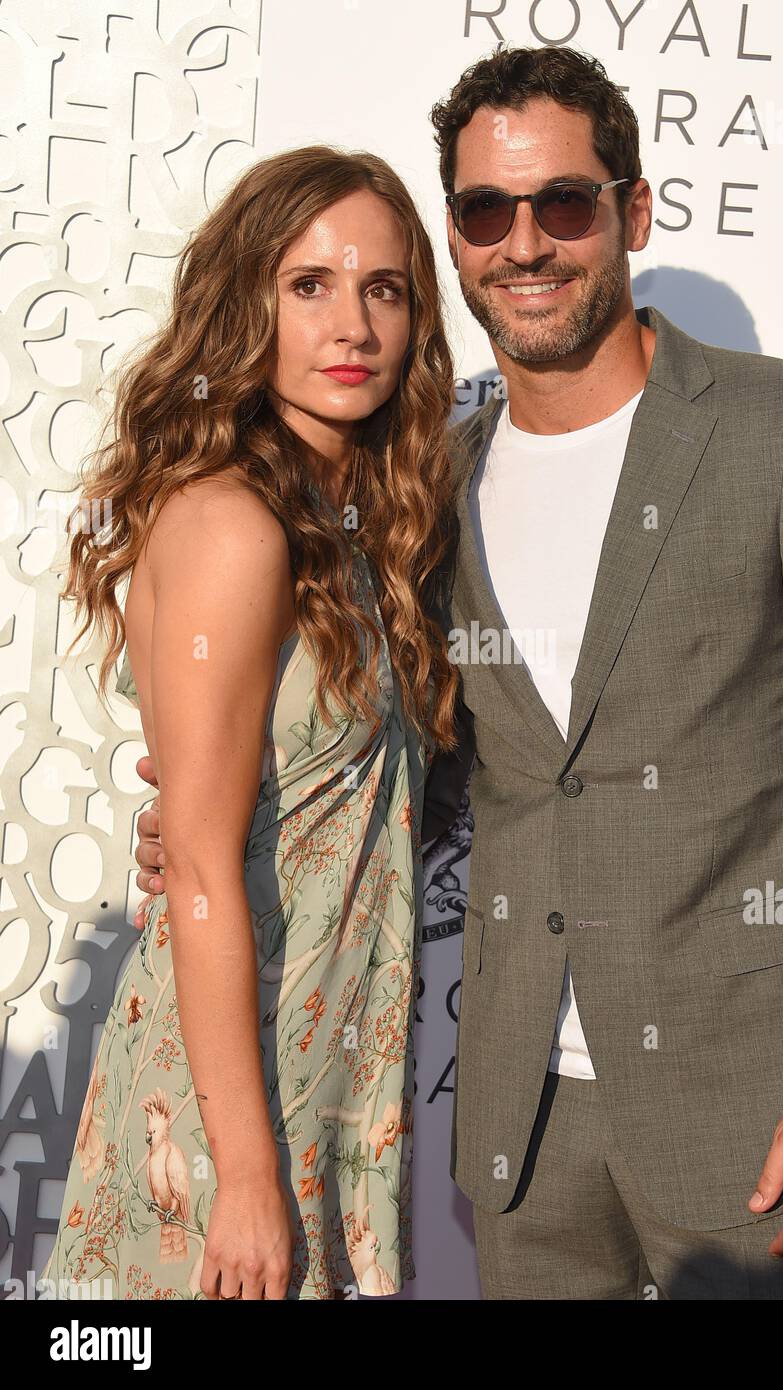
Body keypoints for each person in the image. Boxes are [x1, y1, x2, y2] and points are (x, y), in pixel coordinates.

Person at [133, 46, 783, 1300]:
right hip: (524, 1138)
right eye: (483, 212)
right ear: (455, 244)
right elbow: (442, 774)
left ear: (631, 210)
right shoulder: (433, 489)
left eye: (564, 203)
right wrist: (227, 817)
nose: (525, 244)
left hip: (757, 1119)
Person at [44, 145, 462, 1300]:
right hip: (236, 1091)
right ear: (248, 305)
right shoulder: (237, 527)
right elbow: (201, 869)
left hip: (325, 1067)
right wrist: (242, 1173)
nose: (355, 324)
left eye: (384, 287)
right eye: (309, 284)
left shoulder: (357, 532)